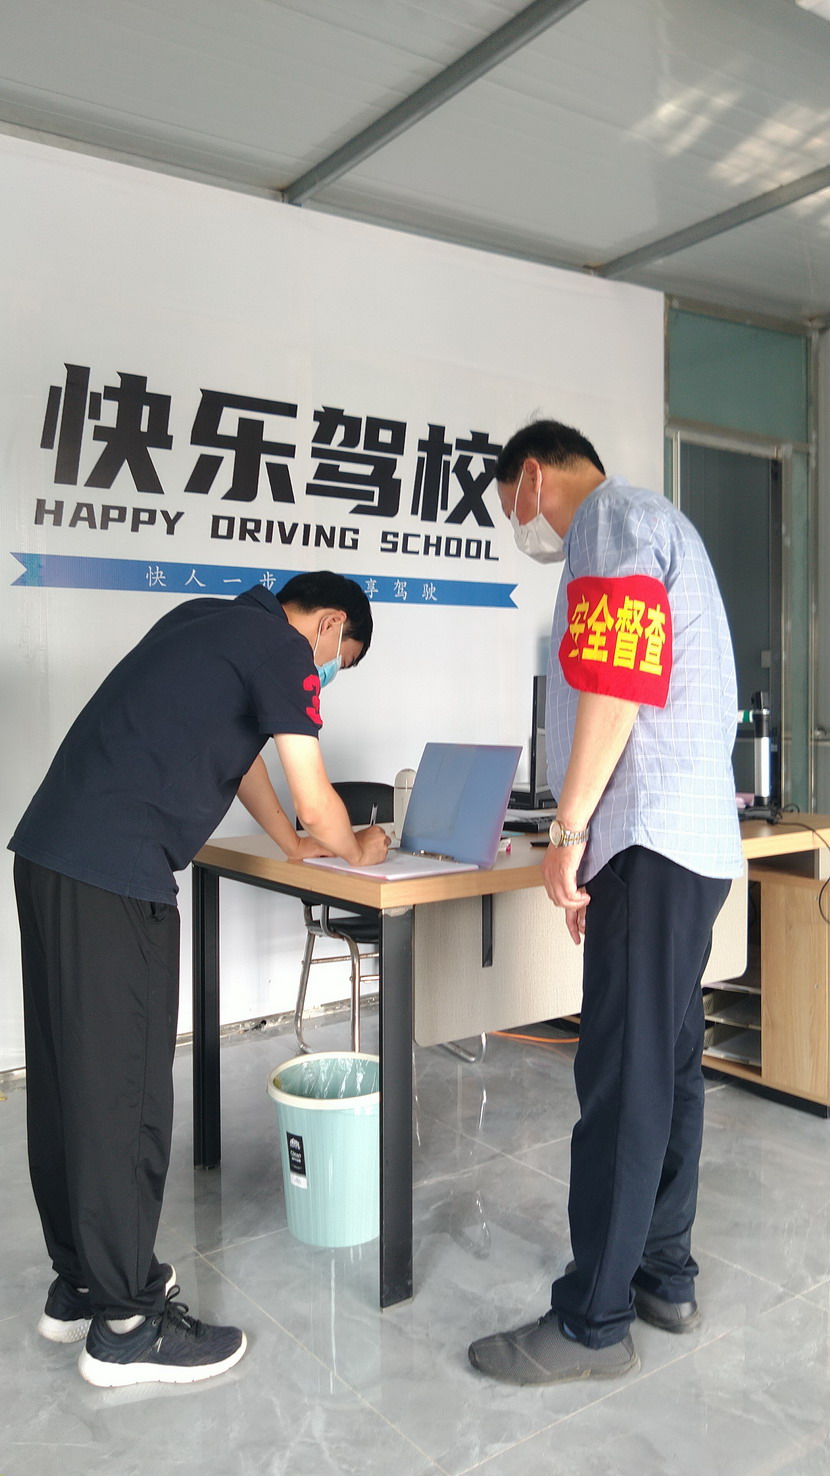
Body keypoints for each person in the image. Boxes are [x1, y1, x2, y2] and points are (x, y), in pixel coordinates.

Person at [10, 570, 390, 1388]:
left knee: (71, 1084)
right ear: (329, 625)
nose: (329, 673)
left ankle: (81, 1283)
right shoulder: (284, 650)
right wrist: (353, 846)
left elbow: (243, 763)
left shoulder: (208, 621)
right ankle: (127, 1324)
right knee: (126, 1098)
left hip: (49, 854)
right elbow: (317, 797)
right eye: (342, 659)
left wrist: (290, 845)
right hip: (115, 874)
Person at [468, 420, 742, 1386]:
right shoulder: (664, 523)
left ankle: (593, 1321)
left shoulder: (608, 519)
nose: (524, 525)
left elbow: (616, 683)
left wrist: (571, 830)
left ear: (533, 476)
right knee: (668, 1066)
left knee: (624, 1078)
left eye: (514, 505)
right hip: (689, 845)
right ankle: (664, 1273)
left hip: (650, 839)